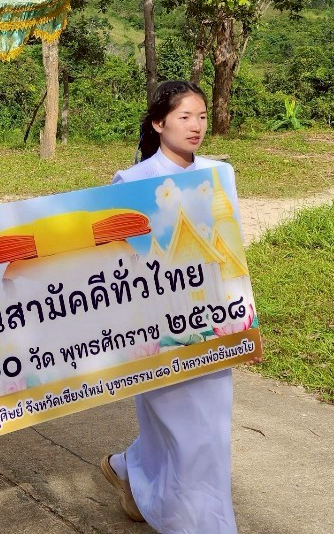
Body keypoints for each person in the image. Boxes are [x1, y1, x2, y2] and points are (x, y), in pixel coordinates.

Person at [100, 80, 237, 534]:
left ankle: (129, 470)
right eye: (185, 117)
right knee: (182, 431)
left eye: (201, 116)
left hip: (213, 323)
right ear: (159, 123)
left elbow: (229, 255)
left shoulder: (219, 173)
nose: (196, 126)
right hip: (155, 329)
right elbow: (115, 262)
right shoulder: (132, 181)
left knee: (209, 435)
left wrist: (242, 320)